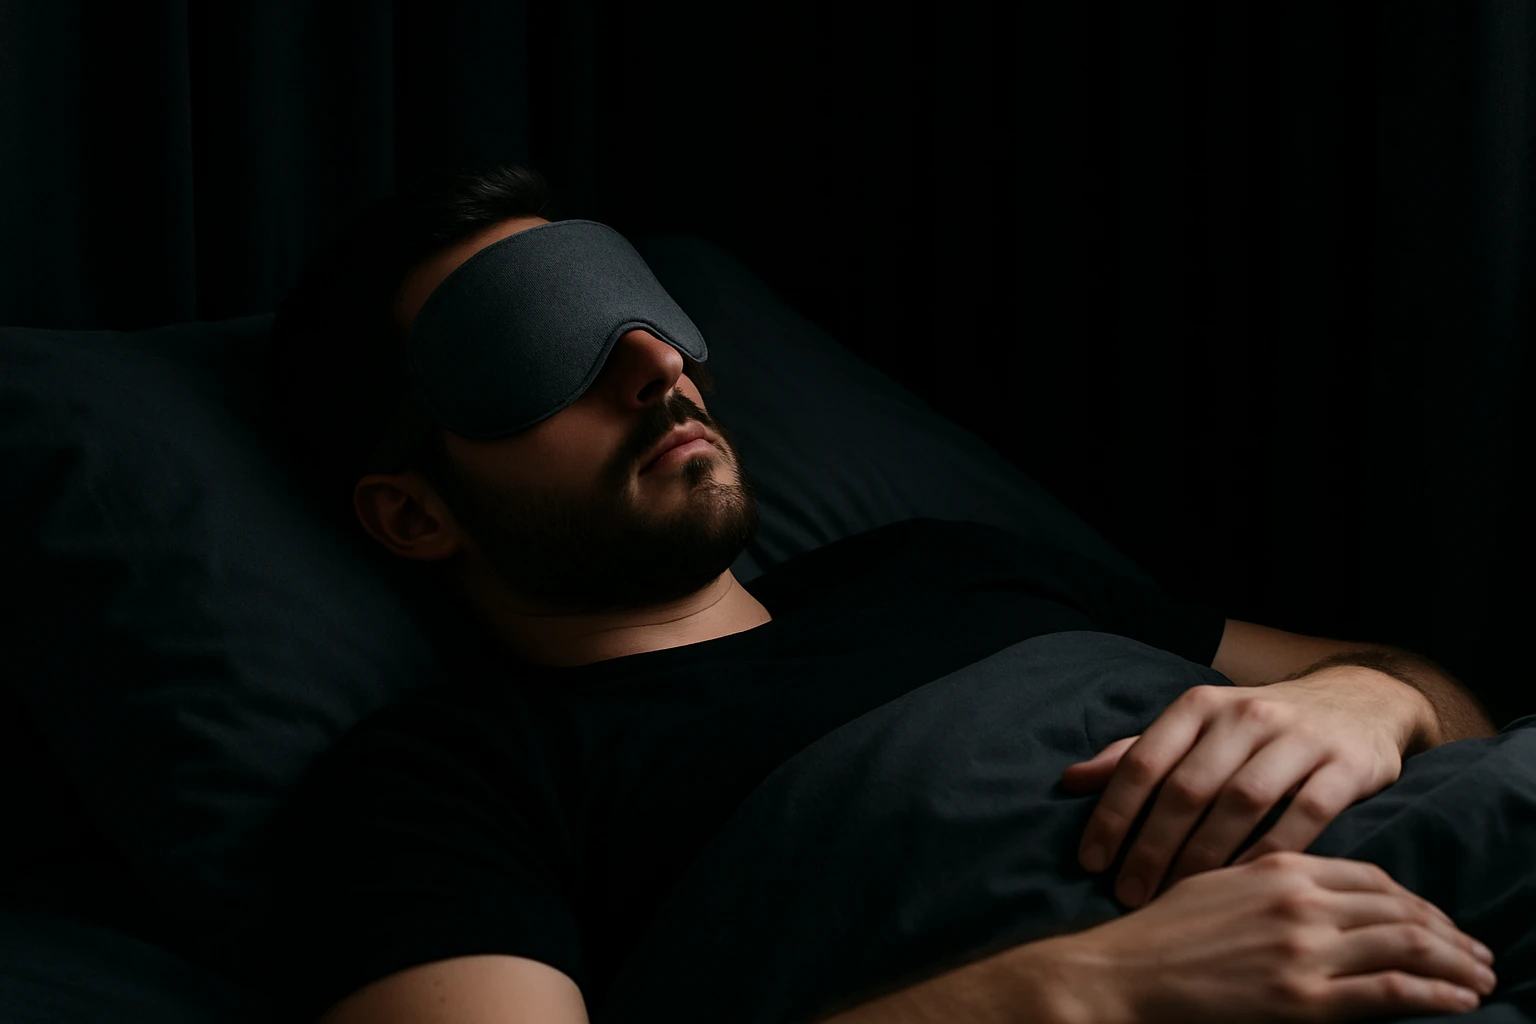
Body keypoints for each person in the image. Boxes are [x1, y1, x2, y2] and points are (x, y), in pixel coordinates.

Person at [259, 162, 1500, 1024]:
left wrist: (1365, 701)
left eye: (636, 303)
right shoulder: (446, 784)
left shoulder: (946, 564)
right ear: (414, 512)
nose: (656, 361)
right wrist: (1085, 989)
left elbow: (1454, 705)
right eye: (535, 343)